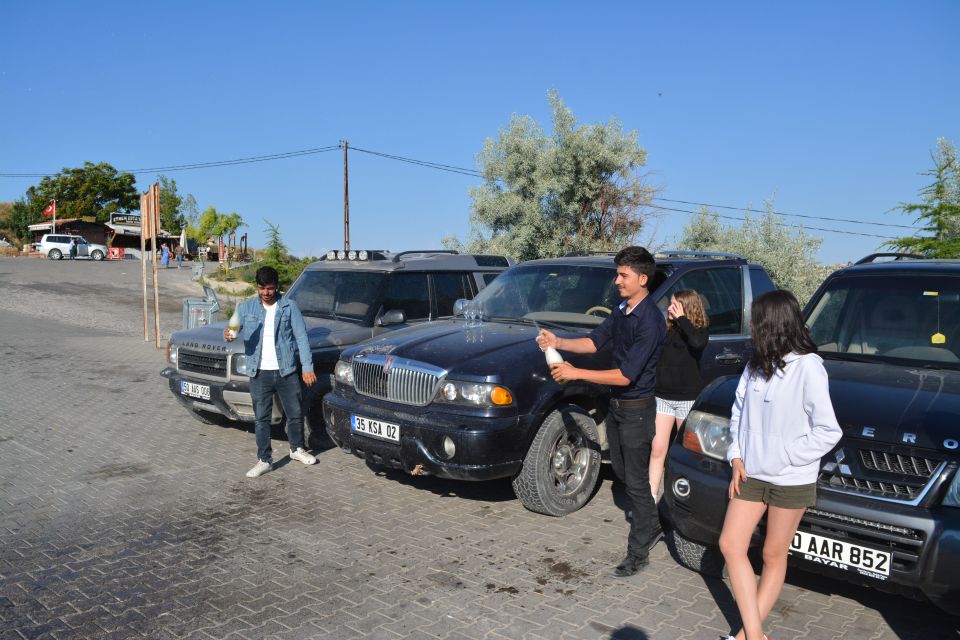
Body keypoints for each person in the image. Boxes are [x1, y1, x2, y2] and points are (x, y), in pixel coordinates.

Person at [718, 290, 842, 640]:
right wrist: (737, 455)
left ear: (773, 323)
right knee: (731, 545)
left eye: (756, 321)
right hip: (750, 473)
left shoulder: (809, 367)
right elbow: (738, 414)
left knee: (773, 553)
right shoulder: (754, 365)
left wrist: (785, 455)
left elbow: (828, 430)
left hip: (791, 479)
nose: (751, 328)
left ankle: (745, 636)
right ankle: (754, 635)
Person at [536, 246, 666, 577]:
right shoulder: (622, 310)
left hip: (637, 409)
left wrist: (576, 373)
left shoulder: (650, 320)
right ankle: (652, 523)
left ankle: (638, 552)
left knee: (635, 481)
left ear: (642, 278)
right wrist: (559, 342)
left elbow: (625, 375)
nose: (617, 280)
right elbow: (594, 342)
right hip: (618, 405)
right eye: (617, 273)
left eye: (623, 275)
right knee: (623, 473)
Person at [224, 266, 318, 478]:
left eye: (270, 288)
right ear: (257, 287)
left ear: (277, 287)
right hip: (259, 372)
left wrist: (308, 368)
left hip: (286, 371)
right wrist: (229, 335)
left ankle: (296, 449)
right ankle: (264, 460)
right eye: (261, 288)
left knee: (295, 413)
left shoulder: (289, 307)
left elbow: (302, 338)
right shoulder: (246, 308)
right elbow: (232, 330)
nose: (266, 293)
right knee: (262, 418)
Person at [650, 290, 710, 500]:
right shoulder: (666, 328)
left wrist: (682, 319)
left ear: (686, 307)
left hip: (686, 399)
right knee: (657, 448)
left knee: (684, 453)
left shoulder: (699, 330)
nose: (669, 308)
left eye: (674, 305)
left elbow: (697, 342)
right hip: (662, 398)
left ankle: (679, 499)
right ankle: (651, 498)